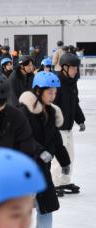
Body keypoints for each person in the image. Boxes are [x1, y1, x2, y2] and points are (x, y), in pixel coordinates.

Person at [19, 71, 70, 228]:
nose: (53, 95)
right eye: (50, 92)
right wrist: (40, 151)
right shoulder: (25, 112)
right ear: (38, 91)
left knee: (46, 204)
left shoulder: (50, 112)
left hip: (43, 169)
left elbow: (56, 139)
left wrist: (65, 161)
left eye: (54, 92)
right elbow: (24, 138)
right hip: (28, 168)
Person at [51, 53, 85, 195]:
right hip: (58, 128)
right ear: (64, 67)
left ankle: (64, 181)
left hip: (68, 127)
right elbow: (51, 106)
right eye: (73, 68)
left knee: (70, 156)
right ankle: (54, 183)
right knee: (59, 158)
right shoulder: (56, 82)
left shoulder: (72, 83)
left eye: (76, 68)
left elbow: (74, 104)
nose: (76, 71)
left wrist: (80, 119)